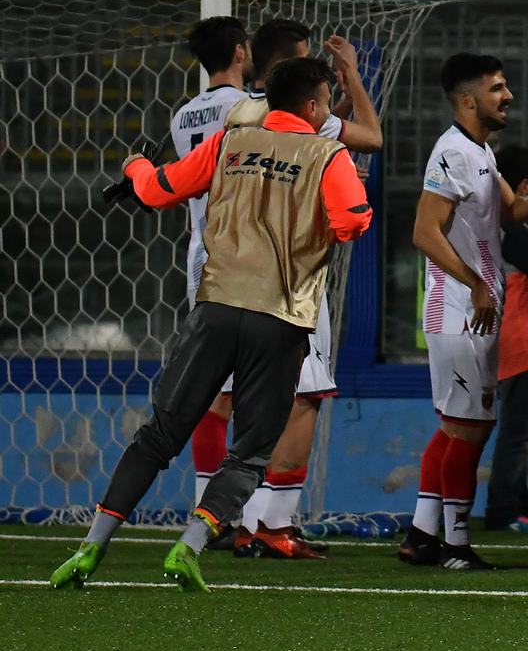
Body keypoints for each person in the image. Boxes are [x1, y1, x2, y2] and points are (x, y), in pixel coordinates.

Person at [53, 57, 372, 591]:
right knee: (249, 453)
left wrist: (134, 166)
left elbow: (156, 191)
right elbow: (351, 223)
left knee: (159, 435)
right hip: (281, 320)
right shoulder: (328, 154)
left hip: (215, 309)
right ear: (315, 106)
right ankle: (191, 545)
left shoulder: (230, 144)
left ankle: (90, 548)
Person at [219, 23, 385, 560]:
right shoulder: (308, 134)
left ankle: (245, 520)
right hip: (291, 282)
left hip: (227, 272)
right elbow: (371, 142)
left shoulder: (239, 120)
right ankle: (272, 524)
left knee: (245, 399)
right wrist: (354, 78)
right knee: (304, 396)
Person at [398, 53, 528, 571]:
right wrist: (475, 286)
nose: (507, 96)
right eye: (497, 88)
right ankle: (455, 545)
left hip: (474, 309)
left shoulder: (480, 151)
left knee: (458, 426)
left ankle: (423, 536)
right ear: (468, 100)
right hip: (459, 310)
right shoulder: (452, 152)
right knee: (468, 429)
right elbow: (425, 232)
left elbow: (511, 212)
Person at [162, 16, 252, 520]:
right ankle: (254, 516)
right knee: (263, 389)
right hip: (247, 252)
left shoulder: (182, 118)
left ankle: (211, 510)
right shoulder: (250, 108)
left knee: (215, 393)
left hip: (201, 252)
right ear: (240, 51)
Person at [483, 146, 528, 532]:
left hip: (514, 341)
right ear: (522, 186)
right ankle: (504, 509)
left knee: (514, 429)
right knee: (517, 431)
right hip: (520, 344)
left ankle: (518, 502)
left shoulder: (500, 226)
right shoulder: (511, 230)